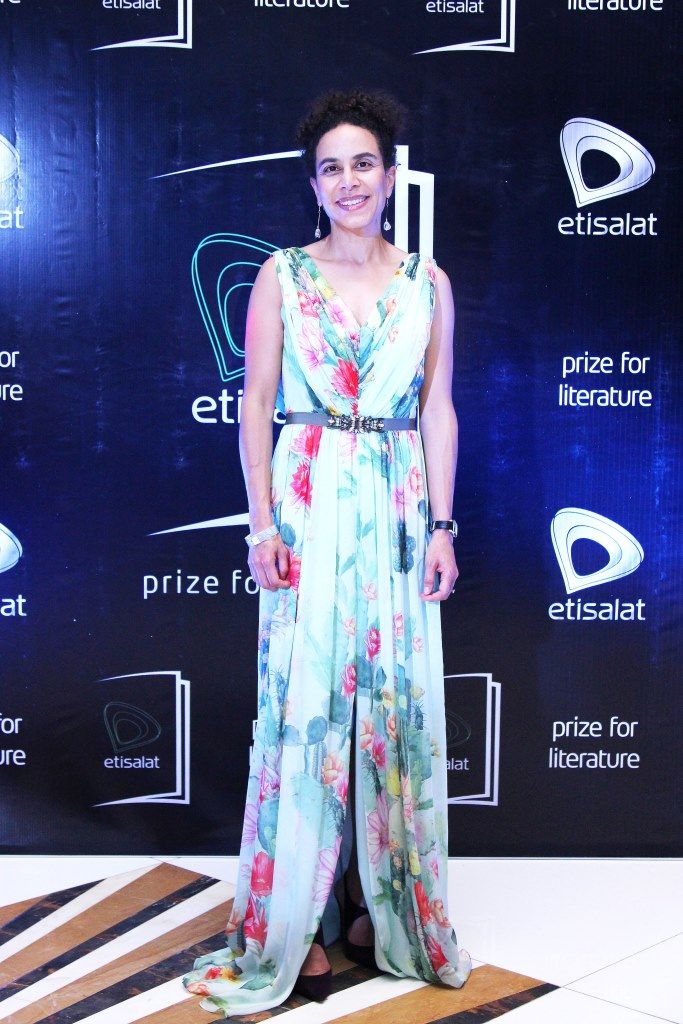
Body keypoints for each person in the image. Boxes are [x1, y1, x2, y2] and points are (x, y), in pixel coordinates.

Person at [182, 88, 472, 1017]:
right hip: (308, 501)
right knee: (304, 710)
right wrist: (261, 525)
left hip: (397, 503)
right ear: (314, 185)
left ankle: (381, 907)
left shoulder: (428, 283)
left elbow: (436, 410)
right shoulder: (281, 274)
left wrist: (442, 527)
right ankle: (295, 920)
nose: (348, 181)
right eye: (330, 168)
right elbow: (254, 404)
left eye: (363, 164)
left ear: (389, 178)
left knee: (391, 708)